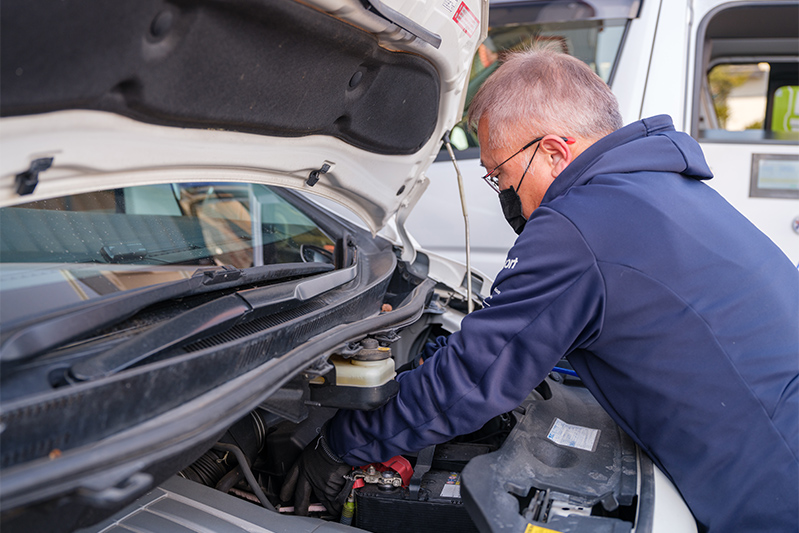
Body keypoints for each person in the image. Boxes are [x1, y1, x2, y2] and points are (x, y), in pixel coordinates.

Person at [280, 45, 799, 532]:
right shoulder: (657, 185)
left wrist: (339, 446)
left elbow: (472, 379)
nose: (506, 196)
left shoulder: (581, 224)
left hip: (769, 494)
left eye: (500, 174)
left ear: (553, 151)